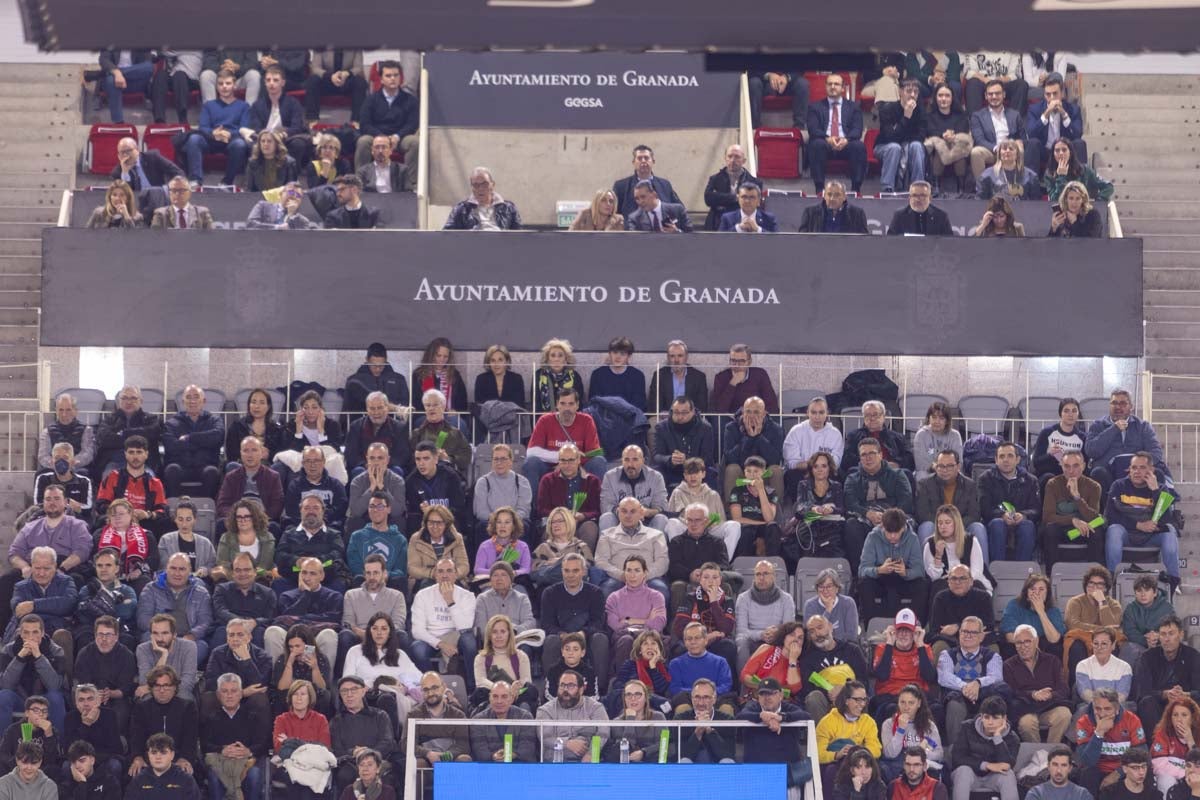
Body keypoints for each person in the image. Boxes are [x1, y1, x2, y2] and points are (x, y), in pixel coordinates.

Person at [0, 489, 90, 633]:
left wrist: (63, 568)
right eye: (48, 499)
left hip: (63, 565)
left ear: (66, 502)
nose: (52, 503)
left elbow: (82, 551)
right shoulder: (30, 527)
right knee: (6, 579)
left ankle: (70, 630)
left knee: (77, 580)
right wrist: (24, 567)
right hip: (33, 565)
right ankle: (5, 632)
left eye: (56, 498)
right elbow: (14, 553)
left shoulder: (77, 525)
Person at [1105, 451, 1180, 581]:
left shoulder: (1161, 489)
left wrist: (1155, 492)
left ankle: (1173, 581)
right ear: (1129, 469)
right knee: (1114, 530)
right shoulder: (1118, 485)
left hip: (1151, 536)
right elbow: (1110, 516)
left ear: (1151, 470)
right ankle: (1111, 580)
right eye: (1134, 467)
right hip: (1127, 533)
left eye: (1142, 467)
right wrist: (1138, 525)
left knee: (1169, 532)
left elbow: (1166, 520)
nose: (1137, 471)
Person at [540, 553, 610, 687]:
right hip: (560, 636)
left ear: (583, 572)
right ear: (562, 571)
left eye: (575, 570)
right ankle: (551, 689)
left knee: (600, 639)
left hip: (586, 636)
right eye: (566, 571)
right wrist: (563, 635)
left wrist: (582, 634)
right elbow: (547, 623)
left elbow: (598, 622)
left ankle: (599, 688)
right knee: (550, 640)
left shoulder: (596, 593)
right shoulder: (550, 593)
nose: (570, 575)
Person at [936, 616, 1008, 746]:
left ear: (981, 636)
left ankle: (992, 749)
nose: (968, 635)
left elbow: (996, 677)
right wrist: (966, 687)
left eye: (973, 632)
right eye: (964, 631)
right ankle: (955, 751)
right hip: (958, 697)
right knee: (954, 706)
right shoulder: (947, 655)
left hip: (983, 696)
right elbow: (944, 677)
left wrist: (978, 683)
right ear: (959, 634)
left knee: (996, 699)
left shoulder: (992, 656)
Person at [200, 672, 269, 800]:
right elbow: (205, 745)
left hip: (245, 764)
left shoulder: (253, 716)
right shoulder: (210, 718)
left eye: (234, 691)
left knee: (254, 774)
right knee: (213, 776)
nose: (229, 695)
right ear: (218, 695)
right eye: (225, 691)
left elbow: (263, 744)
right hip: (220, 763)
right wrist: (222, 749)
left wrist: (249, 751)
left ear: (241, 693)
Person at [410, 558, 478, 689]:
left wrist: (450, 601)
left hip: (458, 636)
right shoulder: (422, 595)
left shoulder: (467, 596)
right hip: (432, 639)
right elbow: (417, 630)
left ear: (455, 574)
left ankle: (472, 688)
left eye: (449, 571)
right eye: (440, 571)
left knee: (469, 641)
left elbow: (465, 627)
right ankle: (434, 686)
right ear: (435, 575)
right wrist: (440, 644)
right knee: (417, 648)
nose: (445, 575)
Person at [264, 559, 343, 668]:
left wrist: (301, 619)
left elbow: (333, 620)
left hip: (317, 637)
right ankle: (277, 681)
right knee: (272, 631)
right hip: (291, 638)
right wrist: (306, 594)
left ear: (322, 576)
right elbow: (284, 618)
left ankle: (323, 683)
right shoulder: (286, 596)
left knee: (329, 634)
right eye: (304, 572)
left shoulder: (334, 597)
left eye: (312, 573)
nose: (307, 578)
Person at [137, 552, 213, 664]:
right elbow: (143, 618)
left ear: (190, 570)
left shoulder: (201, 592)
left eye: (182, 569)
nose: (177, 573)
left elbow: (205, 621)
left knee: (201, 647)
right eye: (173, 568)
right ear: (166, 569)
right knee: (146, 639)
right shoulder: (151, 589)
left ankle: (172, 674)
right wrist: (162, 634)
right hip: (158, 636)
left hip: (187, 638)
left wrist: (192, 635)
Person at [329, 676, 400, 792]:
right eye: (344, 691)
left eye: (354, 689)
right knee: (344, 775)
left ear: (363, 690)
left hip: (378, 762)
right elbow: (336, 749)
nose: (349, 694)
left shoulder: (380, 715)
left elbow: (387, 742)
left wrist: (368, 755)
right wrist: (353, 752)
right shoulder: (336, 722)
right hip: (350, 763)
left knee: (387, 777)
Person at [181, 70, 251, 187]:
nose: (224, 87)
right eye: (221, 84)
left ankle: (227, 182)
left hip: (232, 140)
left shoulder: (244, 106)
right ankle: (195, 180)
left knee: (240, 144)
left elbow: (244, 128)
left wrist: (228, 134)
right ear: (216, 86)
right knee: (194, 139)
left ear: (234, 85)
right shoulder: (209, 105)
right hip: (211, 139)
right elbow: (203, 127)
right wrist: (214, 133)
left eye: (228, 83)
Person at [1087, 390, 1166, 495]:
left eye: (1123, 403)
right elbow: (1091, 451)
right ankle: (1107, 511)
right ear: (1109, 405)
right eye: (1114, 403)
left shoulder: (1143, 426)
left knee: (1158, 473)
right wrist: (1114, 429)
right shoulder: (1098, 425)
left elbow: (1156, 452)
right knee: (1097, 473)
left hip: (1138, 473)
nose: (1118, 407)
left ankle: (1158, 511)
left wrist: (1137, 467)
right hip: (1109, 472)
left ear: (1131, 407)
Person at [594, 497, 670, 606]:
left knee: (661, 591)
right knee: (606, 591)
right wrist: (621, 575)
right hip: (618, 578)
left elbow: (662, 562)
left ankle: (656, 623)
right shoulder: (607, 535)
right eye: (624, 511)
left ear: (641, 513)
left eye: (633, 511)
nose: (628, 515)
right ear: (618, 512)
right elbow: (600, 561)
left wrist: (644, 575)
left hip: (648, 578)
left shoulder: (656, 535)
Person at [353, 60, 419, 185]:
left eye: (396, 75)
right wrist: (382, 138)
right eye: (388, 76)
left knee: (415, 142)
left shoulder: (410, 100)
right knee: (363, 141)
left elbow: (412, 124)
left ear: (401, 78)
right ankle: (360, 182)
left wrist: (396, 136)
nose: (392, 78)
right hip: (376, 137)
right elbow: (365, 124)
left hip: (400, 138)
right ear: (381, 79)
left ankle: (411, 184)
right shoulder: (371, 100)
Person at [1003, 624, 1072, 743]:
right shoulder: (1008, 665)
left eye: (1027, 641)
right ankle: (1036, 754)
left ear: (1036, 641)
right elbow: (1011, 692)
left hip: (1049, 707)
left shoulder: (1052, 661)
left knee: (1064, 714)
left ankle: (1051, 751)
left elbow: (1064, 689)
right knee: (1027, 723)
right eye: (1018, 643)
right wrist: (1033, 694)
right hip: (1025, 710)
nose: (1023, 646)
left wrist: (1050, 695)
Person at [859, 508, 928, 623]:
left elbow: (920, 570)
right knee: (864, 584)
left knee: (922, 585)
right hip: (880, 580)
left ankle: (917, 625)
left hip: (903, 580)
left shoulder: (912, 538)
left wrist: (905, 572)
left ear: (903, 527)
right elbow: (862, 570)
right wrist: (879, 570)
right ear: (883, 527)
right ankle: (871, 626)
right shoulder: (873, 537)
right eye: (888, 532)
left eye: (896, 532)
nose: (892, 536)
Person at [129, 666, 199, 778]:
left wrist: (184, 758)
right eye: (157, 686)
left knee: (186, 774)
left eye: (166, 685)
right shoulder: (141, 707)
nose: (162, 690)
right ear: (151, 688)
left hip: (178, 757)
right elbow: (136, 737)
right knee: (135, 773)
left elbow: (190, 738)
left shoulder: (187, 707)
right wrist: (137, 757)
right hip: (150, 759)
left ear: (175, 687)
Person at [1074, 688, 1146, 796]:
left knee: (1141, 771)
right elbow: (1087, 761)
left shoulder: (1131, 720)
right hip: (1097, 771)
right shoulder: (1084, 722)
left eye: (1107, 709)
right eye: (1098, 709)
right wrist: (1099, 733)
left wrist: (1118, 773)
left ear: (1116, 709)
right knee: (1087, 773)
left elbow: (1142, 754)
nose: (1102, 714)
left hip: (1123, 771)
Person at [0, 615, 66, 732]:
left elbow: (55, 686)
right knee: (3, 696)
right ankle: (3, 745)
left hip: (44, 701)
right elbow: (6, 685)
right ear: (20, 633)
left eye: (35, 632)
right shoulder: (8, 651)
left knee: (56, 697)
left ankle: (58, 745)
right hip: (19, 699)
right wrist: (20, 658)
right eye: (26, 632)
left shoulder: (56, 651)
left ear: (42, 633)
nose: (30, 637)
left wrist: (38, 657)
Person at [665, 502, 739, 605]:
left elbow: (723, 565)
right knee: (677, 586)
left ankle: (724, 620)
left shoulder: (717, 542)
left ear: (706, 521)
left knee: (725, 587)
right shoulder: (676, 542)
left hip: (711, 579)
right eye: (689, 520)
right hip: (686, 579)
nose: (693, 524)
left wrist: (706, 575)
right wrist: (690, 574)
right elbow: (674, 567)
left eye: (697, 520)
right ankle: (677, 620)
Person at [1040, 451, 1103, 570]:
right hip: (1061, 528)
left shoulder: (1094, 486)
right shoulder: (1053, 484)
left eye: (1076, 466)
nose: (1071, 471)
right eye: (1067, 466)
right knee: (1049, 530)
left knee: (1097, 531)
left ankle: (1094, 575)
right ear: (1061, 466)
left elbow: (1093, 518)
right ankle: (1051, 574)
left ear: (1083, 466)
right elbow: (1047, 517)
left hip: (1084, 529)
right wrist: (1073, 520)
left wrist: (1077, 497)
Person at [979, 441, 1041, 562]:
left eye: (1010, 456)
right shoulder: (985, 479)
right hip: (996, 523)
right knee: (998, 524)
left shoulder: (1031, 480)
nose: (1005, 460)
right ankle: (997, 569)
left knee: (1028, 526)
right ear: (996, 460)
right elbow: (984, 508)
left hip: (1021, 522)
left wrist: (1024, 515)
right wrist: (1001, 515)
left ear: (1018, 459)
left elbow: (1037, 509)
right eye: (1001, 456)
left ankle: (1022, 571)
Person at [1134, 616, 1200, 729]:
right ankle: (1156, 745)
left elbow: (1198, 690)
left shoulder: (1193, 656)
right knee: (1146, 702)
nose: (1167, 639)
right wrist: (1165, 694)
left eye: (1171, 633)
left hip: (1186, 702)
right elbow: (1142, 691)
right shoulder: (1147, 657)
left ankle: (1191, 744)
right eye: (1163, 634)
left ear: (1181, 635)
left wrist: (1185, 695)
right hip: (1158, 703)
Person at [871, 610, 937, 723]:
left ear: (915, 632)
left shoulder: (924, 648)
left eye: (908, 630)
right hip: (891, 695)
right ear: (894, 631)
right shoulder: (883, 649)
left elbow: (930, 677)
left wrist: (920, 644)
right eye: (900, 630)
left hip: (917, 694)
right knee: (890, 709)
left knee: (937, 709)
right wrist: (889, 644)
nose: (903, 634)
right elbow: (881, 676)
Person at [816, 679, 882, 792]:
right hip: (837, 763)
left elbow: (876, 749)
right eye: (858, 700)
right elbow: (817, 754)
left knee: (880, 770)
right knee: (831, 771)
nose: (862, 704)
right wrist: (837, 754)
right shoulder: (827, 721)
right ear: (846, 700)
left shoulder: (868, 722)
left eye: (864, 700)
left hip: (861, 762)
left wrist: (857, 752)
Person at [949, 694, 1019, 800]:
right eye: (986, 717)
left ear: (1004, 718)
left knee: (1008, 774)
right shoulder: (967, 728)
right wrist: (986, 765)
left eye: (995, 718)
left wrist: (997, 738)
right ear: (981, 717)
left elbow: (1007, 765)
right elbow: (957, 758)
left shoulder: (1012, 738)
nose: (990, 722)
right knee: (963, 771)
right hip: (970, 775)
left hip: (994, 777)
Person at [271, 680, 332, 800]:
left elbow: (324, 748)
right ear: (290, 697)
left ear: (310, 698)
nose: (298, 698)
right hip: (287, 766)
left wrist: (291, 742)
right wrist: (309, 745)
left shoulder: (320, 719)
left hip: (314, 766)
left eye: (303, 694)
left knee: (308, 786)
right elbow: (280, 748)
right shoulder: (281, 720)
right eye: (295, 694)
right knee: (295, 783)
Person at [807, 73, 867, 193]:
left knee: (858, 146)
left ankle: (856, 189)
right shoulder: (815, 107)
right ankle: (819, 189)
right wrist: (828, 138)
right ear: (825, 86)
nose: (833, 87)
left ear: (843, 88)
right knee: (816, 144)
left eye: (836, 84)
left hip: (846, 144)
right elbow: (813, 129)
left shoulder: (853, 107)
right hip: (825, 144)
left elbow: (857, 129)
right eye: (830, 84)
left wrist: (846, 140)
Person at [800, 615, 869, 720]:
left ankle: (857, 734)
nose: (817, 634)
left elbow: (864, 681)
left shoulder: (852, 650)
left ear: (831, 627)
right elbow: (807, 689)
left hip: (851, 697)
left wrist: (845, 691)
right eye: (812, 632)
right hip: (824, 701)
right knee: (813, 697)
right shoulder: (807, 657)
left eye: (820, 628)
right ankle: (821, 736)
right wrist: (830, 693)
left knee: (861, 696)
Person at [606, 554, 669, 667]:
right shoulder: (614, 597)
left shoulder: (656, 596)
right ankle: (623, 681)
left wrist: (629, 620)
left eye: (637, 570)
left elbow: (659, 624)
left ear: (645, 573)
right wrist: (648, 620)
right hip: (624, 637)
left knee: (654, 642)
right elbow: (614, 625)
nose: (632, 575)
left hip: (649, 637)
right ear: (624, 573)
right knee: (626, 640)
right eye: (629, 570)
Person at [95, 433, 168, 529]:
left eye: (139, 452)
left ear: (146, 454)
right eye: (131, 452)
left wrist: (147, 514)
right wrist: (123, 513)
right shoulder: (112, 477)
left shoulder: (155, 483)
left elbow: (162, 510)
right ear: (125, 454)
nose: (135, 457)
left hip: (145, 524)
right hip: (117, 521)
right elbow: (101, 505)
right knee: (101, 522)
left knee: (167, 524)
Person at [275, 495, 349, 590]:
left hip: (326, 580)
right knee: (278, 584)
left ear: (323, 511)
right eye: (307, 508)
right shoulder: (288, 534)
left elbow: (337, 554)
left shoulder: (334, 535)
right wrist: (296, 561)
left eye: (315, 508)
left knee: (339, 585)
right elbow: (279, 555)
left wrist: (314, 562)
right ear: (300, 511)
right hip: (294, 579)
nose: (311, 511)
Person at [915, 449, 985, 546]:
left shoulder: (970, 485)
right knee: (926, 526)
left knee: (978, 527)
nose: (945, 470)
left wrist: (955, 525)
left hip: (961, 526)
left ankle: (983, 562)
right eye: (941, 466)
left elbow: (974, 514)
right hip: (936, 525)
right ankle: (923, 561)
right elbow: (922, 513)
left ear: (958, 466)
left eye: (950, 466)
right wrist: (943, 524)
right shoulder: (924, 484)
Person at [536, 668, 609, 762]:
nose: (565, 690)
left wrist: (591, 754)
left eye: (570, 686)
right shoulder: (546, 710)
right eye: (562, 685)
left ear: (581, 689)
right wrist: (567, 743)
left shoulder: (595, 707)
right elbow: (545, 737)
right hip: (555, 762)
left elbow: (603, 733)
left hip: (586, 762)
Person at [1064, 569, 1125, 679]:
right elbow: (1072, 624)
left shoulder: (1114, 604)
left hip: (1105, 640)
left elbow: (1112, 626)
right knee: (1076, 647)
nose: (1095, 587)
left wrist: (1102, 602)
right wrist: (1101, 629)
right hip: (1081, 639)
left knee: (1114, 647)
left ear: (1106, 588)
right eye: (1091, 583)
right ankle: (1076, 687)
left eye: (1100, 584)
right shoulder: (1075, 602)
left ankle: (1109, 686)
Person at [471, 614, 536, 713]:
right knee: (481, 693)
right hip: (492, 697)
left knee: (528, 692)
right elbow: (481, 681)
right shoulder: (480, 658)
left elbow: (526, 681)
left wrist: (514, 691)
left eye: (503, 631)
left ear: (509, 634)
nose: (499, 636)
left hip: (516, 696)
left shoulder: (521, 656)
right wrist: (504, 691)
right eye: (494, 632)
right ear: (489, 635)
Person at [1026, 73, 1087, 175]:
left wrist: (1064, 114)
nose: (1051, 98)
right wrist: (1046, 114)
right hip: (1045, 151)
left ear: (1062, 93)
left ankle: (1081, 184)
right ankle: (1031, 184)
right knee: (1032, 143)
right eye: (1048, 94)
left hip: (1065, 150)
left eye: (1055, 93)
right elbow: (1031, 134)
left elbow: (1077, 134)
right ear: (1044, 94)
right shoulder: (1034, 109)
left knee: (1080, 143)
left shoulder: (1073, 109)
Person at [928, 564, 995, 656]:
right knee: (939, 646)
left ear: (971, 581)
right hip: (949, 641)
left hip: (977, 641)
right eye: (953, 578)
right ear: (948, 582)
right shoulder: (941, 598)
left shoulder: (984, 597)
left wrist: (958, 627)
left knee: (993, 648)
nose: (957, 582)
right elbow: (934, 630)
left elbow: (988, 626)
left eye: (962, 578)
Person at [880, 687, 943, 784]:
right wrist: (900, 730)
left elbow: (939, 754)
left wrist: (922, 754)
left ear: (919, 703)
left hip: (923, 766)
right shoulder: (888, 724)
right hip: (899, 766)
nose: (906, 707)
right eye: (903, 702)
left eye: (911, 703)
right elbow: (890, 754)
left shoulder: (929, 725)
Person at [95, 387, 163, 476]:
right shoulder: (109, 420)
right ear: (119, 401)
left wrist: (121, 433)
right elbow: (104, 439)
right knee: (109, 481)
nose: (129, 402)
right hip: (114, 463)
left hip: (144, 464)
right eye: (124, 398)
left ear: (141, 401)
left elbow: (151, 435)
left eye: (133, 398)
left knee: (149, 482)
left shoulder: (151, 419)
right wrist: (137, 437)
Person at [969, 79, 1026, 182]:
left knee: (1021, 149)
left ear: (1004, 94)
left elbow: (1022, 137)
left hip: (1011, 149)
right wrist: (997, 148)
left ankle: (1019, 186)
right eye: (990, 94)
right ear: (986, 96)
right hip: (992, 150)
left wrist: (1018, 143)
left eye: (997, 93)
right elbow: (979, 139)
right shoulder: (977, 116)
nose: (994, 97)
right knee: (975, 152)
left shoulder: (1015, 114)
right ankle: (982, 188)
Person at [924, 506, 990, 596]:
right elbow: (933, 577)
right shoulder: (930, 544)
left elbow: (977, 571)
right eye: (940, 523)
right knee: (939, 586)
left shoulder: (971, 541)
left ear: (956, 523)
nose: (943, 526)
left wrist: (960, 583)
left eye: (947, 523)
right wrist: (938, 556)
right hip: (945, 585)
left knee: (977, 585)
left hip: (969, 582)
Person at [875, 79, 927, 193]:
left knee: (917, 146)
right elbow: (890, 137)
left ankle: (918, 188)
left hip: (909, 146)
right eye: (909, 91)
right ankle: (887, 188)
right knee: (895, 147)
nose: (912, 95)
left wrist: (904, 140)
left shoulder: (921, 111)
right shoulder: (887, 109)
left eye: (916, 92)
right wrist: (906, 117)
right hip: (884, 146)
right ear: (900, 92)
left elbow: (921, 136)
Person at [654, 396, 716, 490]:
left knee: (711, 472)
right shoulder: (662, 428)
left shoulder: (705, 428)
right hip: (671, 470)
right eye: (676, 412)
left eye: (684, 413)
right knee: (656, 471)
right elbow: (656, 456)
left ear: (693, 412)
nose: (680, 416)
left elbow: (707, 458)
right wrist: (670, 459)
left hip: (696, 470)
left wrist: (687, 459)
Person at [531, 506, 603, 588]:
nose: (555, 525)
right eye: (552, 522)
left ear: (569, 522)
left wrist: (560, 563)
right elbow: (534, 571)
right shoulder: (543, 547)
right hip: (550, 587)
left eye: (559, 521)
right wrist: (548, 564)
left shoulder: (581, 546)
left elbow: (587, 569)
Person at [268, 627, 333, 717]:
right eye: (291, 647)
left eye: (297, 646)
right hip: (291, 698)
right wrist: (289, 663)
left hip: (312, 698)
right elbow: (282, 689)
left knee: (325, 696)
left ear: (308, 646)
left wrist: (315, 668)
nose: (294, 650)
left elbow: (322, 688)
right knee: (279, 697)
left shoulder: (321, 659)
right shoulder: (283, 659)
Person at [345, 395, 412, 479]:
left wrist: (383, 465)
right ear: (367, 410)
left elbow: (403, 455)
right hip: (365, 467)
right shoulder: (355, 426)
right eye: (372, 408)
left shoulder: (399, 428)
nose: (376, 412)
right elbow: (351, 454)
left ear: (387, 408)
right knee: (358, 471)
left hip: (389, 467)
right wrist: (368, 465)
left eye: (380, 408)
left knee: (397, 471)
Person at [406, 505, 470, 593]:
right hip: (425, 579)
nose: (435, 526)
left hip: (452, 579)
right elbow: (412, 568)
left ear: (446, 524)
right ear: (426, 523)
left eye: (439, 523)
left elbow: (464, 566)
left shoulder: (456, 538)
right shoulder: (416, 539)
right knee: (426, 585)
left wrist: (448, 575)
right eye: (431, 522)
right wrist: (432, 574)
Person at [469, 681, 537, 763]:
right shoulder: (479, 720)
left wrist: (513, 754)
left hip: (519, 767)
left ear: (511, 699)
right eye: (495, 696)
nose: (499, 701)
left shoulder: (525, 717)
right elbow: (479, 750)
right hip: (489, 767)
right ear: (490, 698)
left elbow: (528, 748)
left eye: (504, 697)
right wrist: (494, 756)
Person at [136, 614, 199, 701]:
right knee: (146, 699)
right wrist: (163, 656)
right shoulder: (142, 649)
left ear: (174, 635)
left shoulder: (189, 647)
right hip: (154, 693)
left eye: (164, 633)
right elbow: (144, 682)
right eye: (155, 633)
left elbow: (188, 682)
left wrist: (164, 690)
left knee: (185, 697)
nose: (159, 638)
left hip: (180, 692)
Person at [923, 83, 972, 195]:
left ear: (952, 98)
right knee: (940, 146)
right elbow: (930, 132)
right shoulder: (930, 116)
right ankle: (936, 186)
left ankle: (961, 188)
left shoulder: (961, 115)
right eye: (940, 95)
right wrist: (944, 136)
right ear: (935, 97)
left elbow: (963, 131)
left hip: (957, 148)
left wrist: (952, 136)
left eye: (947, 95)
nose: (943, 99)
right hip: (938, 151)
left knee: (959, 148)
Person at [784, 397, 844, 488]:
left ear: (827, 413)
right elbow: (791, 462)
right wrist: (812, 465)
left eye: (821, 412)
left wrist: (820, 467)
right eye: (813, 412)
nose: (817, 417)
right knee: (791, 475)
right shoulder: (796, 431)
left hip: (826, 472)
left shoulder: (835, 434)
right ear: (807, 413)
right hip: (803, 471)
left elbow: (836, 462)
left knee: (838, 476)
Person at [1000, 573, 1065, 657]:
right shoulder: (1014, 605)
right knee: (1010, 648)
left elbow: (1054, 639)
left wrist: (1041, 612)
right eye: (1032, 589)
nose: (1037, 593)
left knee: (1055, 648)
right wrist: (1031, 643)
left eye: (1041, 589)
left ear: (1047, 593)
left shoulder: (1053, 610)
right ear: (1026, 592)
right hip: (1021, 644)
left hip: (1044, 646)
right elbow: (1009, 636)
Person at [211, 504, 276, 586]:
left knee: (262, 582)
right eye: (239, 517)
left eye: (247, 516)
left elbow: (264, 567)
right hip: (231, 578)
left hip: (259, 579)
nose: (243, 520)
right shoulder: (226, 537)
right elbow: (222, 563)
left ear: (255, 518)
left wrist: (248, 576)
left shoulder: (267, 537)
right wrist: (239, 576)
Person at [740, 620, 804, 701]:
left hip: (782, 705)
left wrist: (792, 660)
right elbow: (744, 676)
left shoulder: (800, 662)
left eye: (800, 638)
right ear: (784, 637)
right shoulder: (766, 649)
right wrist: (765, 686)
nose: (796, 640)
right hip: (756, 698)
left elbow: (794, 689)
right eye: (792, 635)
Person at [704, 144, 762, 231]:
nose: (732, 160)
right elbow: (708, 198)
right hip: (716, 222)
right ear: (725, 158)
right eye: (730, 156)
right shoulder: (715, 179)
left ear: (744, 160)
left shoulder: (755, 182)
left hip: (743, 222)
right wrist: (735, 198)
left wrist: (720, 199)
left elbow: (753, 205)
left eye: (737, 157)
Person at [612, 144, 681, 217]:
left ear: (653, 161)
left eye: (646, 158)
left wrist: (674, 226)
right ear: (633, 162)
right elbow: (613, 213)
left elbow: (679, 209)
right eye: (639, 158)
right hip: (631, 227)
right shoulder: (621, 187)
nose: (643, 161)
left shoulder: (665, 185)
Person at [0, 694, 58, 781]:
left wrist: (49, 735)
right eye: (36, 710)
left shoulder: (51, 731)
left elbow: (52, 760)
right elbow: (3, 754)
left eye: (44, 711)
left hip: (40, 772)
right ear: (27, 713)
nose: (41, 714)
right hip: (16, 770)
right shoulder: (13, 730)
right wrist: (20, 766)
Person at [443, 166, 521, 230]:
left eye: (485, 184)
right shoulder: (461, 209)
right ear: (472, 187)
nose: (480, 188)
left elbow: (519, 238)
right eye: (476, 185)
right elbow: (447, 235)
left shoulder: (508, 208)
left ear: (492, 185)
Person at [472, 508, 532, 588]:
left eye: (507, 522)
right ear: (495, 525)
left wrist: (510, 573)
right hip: (490, 584)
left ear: (513, 526)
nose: (502, 526)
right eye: (499, 522)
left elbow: (526, 569)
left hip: (515, 584)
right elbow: (478, 570)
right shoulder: (485, 546)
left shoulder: (523, 546)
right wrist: (499, 573)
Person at [1152, 698, 1200, 798]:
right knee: (1166, 779)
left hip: (1195, 778)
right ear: (1170, 718)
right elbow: (1158, 766)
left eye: (1184, 715)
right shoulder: (1162, 734)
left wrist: (1190, 741)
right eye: (1175, 715)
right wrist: (1185, 774)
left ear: (1192, 718)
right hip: (1174, 778)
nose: (1179, 719)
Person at [303, 49, 367, 124]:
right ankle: (312, 121)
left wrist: (346, 73)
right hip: (327, 80)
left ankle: (357, 121)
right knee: (312, 80)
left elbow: (358, 68)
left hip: (346, 80)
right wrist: (330, 76)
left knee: (360, 82)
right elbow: (315, 68)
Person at [1123, 574, 1174, 668]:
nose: (1143, 594)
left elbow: (1172, 630)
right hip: (1139, 644)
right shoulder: (1130, 609)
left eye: (1147, 590)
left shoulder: (1167, 608)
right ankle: (1126, 680)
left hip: (1161, 644)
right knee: (1128, 649)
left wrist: (1157, 637)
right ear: (1135, 593)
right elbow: (1129, 631)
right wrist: (1146, 641)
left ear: (1154, 593)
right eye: (1139, 591)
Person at [1042, 137, 1113, 203]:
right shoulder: (1049, 174)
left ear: (1070, 152)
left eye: (1064, 150)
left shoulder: (1085, 170)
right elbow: (1055, 200)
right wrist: (1061, 177)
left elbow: (1108, 187)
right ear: (1053, 154)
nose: (1061, 153)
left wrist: (1098, 202)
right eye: (1057, 150)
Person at [589, 337, 647, 411]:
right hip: (604, 417)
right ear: (610, 354)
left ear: (628, 356)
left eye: (622, 354)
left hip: (629, 417)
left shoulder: (637, 376)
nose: (618, 357)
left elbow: (639, 404)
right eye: (615, 352)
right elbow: (594, 402)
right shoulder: (597, 374)